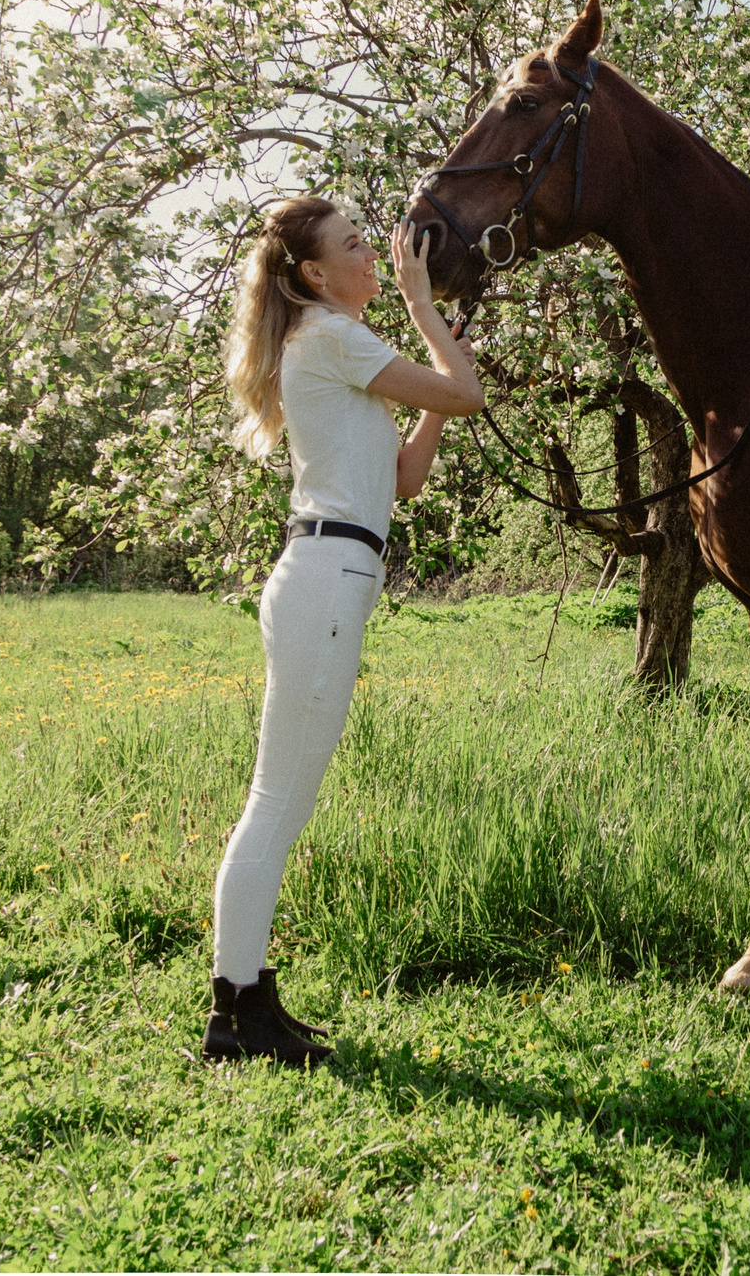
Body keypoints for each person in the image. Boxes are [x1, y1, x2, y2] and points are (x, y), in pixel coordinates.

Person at [206, 196, 484, 1065]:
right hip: (327, 576)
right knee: (276, 804)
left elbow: (403, 479)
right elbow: (470, 393)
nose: (378, 253)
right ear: (314, 275)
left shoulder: (336, 346)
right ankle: (236, 1014)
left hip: (332, 572)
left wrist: (430, 367)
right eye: (358, 244)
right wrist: (424, 311)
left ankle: (250, 996)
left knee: (279, 800)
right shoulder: (329, 336)